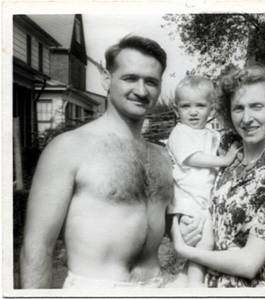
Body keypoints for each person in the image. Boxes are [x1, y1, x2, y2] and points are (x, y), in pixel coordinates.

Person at [20, 35, 173, 289]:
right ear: (106, 79)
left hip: (156, 285)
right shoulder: (69, 148)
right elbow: (37, 248)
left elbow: (169, 227)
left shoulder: (162, 156)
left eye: (151, 82)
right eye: (130, 78)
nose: (142, 90)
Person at [171, 65, 265, 287]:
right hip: (202, 280)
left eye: (257, 106)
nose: (247, 118)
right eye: (238, 108)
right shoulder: (226, 145)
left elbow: (249, 263)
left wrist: (183, 250)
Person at [166, 76, 239, 286]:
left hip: (204, 200)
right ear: (176, 110)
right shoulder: (179, 133)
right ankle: (195, 286)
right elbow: (192, 157)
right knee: (205, 243)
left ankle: (182, 282)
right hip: (188, 200)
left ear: (212, 110)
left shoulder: (212, 134)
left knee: (203, 245)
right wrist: (223, 160)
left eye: (200, 105)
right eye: (186, 106)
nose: (193, 111)